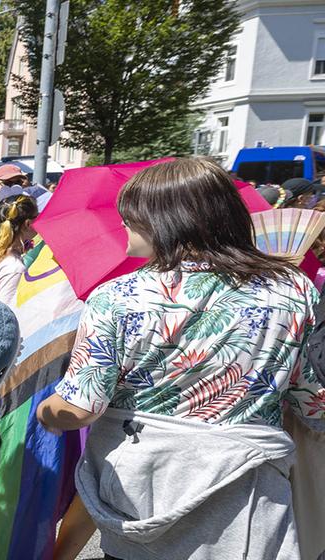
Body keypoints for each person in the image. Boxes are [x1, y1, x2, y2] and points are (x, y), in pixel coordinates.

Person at [37, 158, 325, 559]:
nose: (123, 223)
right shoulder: (293, 287)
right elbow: (311, 400)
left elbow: (81, 408)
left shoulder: (117, 297)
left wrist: (44, 414)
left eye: (132, 214)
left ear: (168, 219)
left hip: (144, 495)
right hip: (248, 496)